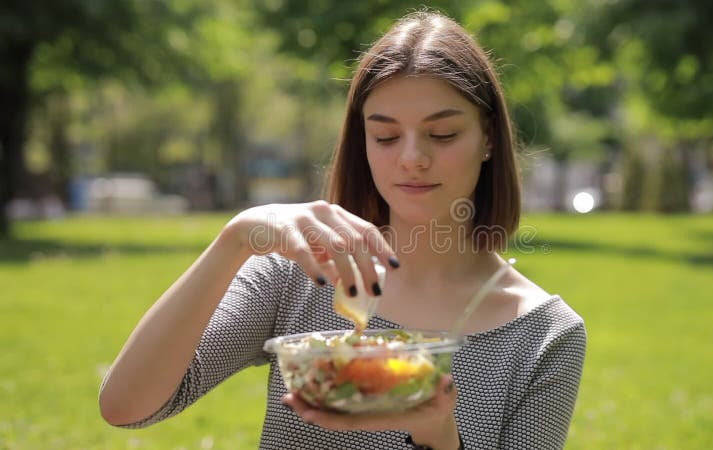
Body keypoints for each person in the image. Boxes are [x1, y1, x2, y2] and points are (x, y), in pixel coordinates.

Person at [99, 10, 586, 450]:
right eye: (386, 136)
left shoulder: (543, 334)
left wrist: (439, 437)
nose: (412, 158)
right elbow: (129, 406)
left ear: (488, 141)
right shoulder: (297, 275)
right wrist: (236, 239)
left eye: (442, 134)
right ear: (363, 145)